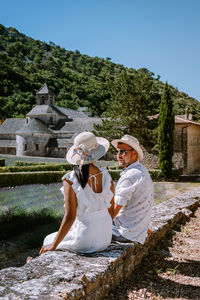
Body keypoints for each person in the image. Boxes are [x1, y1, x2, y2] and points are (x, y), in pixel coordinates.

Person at [39, 131, 114, 255]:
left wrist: (54, 245)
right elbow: (111, 209)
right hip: (105, 236)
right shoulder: (106, 176)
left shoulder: (71, 179)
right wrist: (104, 230)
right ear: (96, 153)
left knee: (48, 239)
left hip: (86, 237)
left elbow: (70, 217)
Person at [111, 134, 154, 244]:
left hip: (125, 233)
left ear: (134, 153)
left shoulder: (131, 175)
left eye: (123, 152)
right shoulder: (141, 170)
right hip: (137, 231)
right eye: (118, 151)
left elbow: (116, 208)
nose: (119, 155)